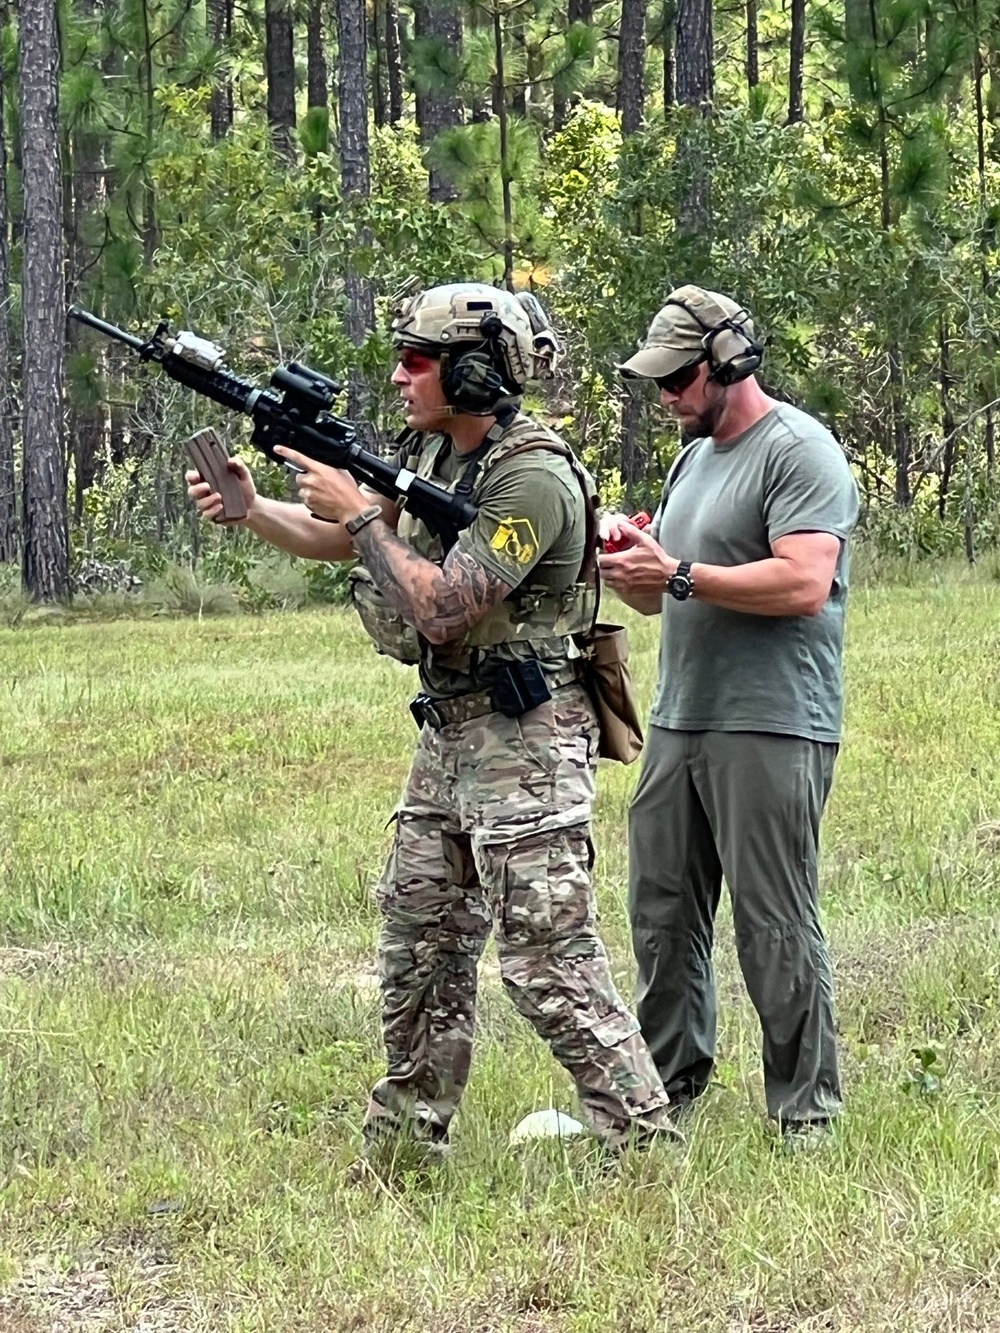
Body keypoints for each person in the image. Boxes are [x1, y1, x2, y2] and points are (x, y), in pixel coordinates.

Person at [187, 282, 678, 1160]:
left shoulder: (532, 476)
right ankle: (406, 1145)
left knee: (546, 957)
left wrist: (362, 514)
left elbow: (445, 606)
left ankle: (641, 1141)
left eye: (419, 359)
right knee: (421, 941)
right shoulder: (442, 456)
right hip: (451, 733)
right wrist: (254, 507)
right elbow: (357, 539)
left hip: (525, 736)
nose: (401, 374)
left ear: (477, 372)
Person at [599, 284, 859, 1150]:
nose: (666, 395)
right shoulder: (692, 455)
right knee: (663, 909)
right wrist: (637, 566)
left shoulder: (800, 451)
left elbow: (803, 582)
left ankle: (806, 1111)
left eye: (677, 377)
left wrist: (678, 574)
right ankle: (666, 1089)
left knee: (773, 918)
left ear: (727, 363)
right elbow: (669, 585)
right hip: (683, 716)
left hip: (773, 721)